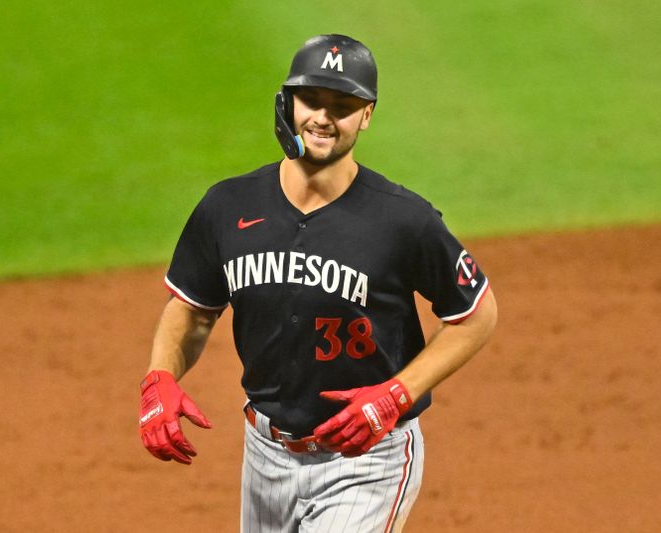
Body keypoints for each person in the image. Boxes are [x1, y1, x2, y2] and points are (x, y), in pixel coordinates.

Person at [139, 34, 498, 532]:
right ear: (287, 101)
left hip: (366, 461)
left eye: (343, 105)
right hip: (265, 456)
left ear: (367, 115)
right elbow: (196, 309)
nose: (323, 118)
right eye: (312, 100)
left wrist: (397, 393)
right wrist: (161, 375)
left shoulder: (402, 219)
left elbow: (475, 314)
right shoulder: (227, 206)